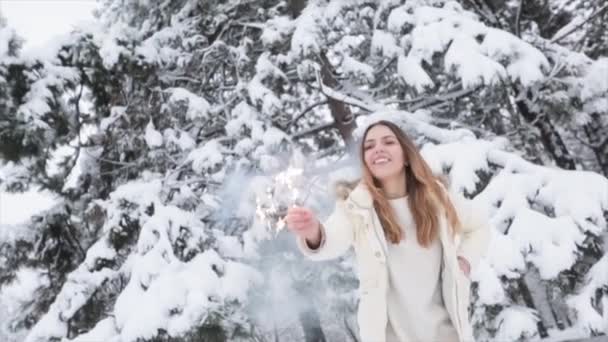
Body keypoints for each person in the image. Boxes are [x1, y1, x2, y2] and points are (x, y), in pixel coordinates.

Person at [284, 120, 491, 342]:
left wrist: (464, 261)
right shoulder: (355, 205)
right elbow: (331, 238)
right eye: (369, 146)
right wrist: (313, 231)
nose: (378, 149)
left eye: (388, 142)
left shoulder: (437, 197)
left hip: (447, 335)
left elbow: (479, 227)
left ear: (406, 155)